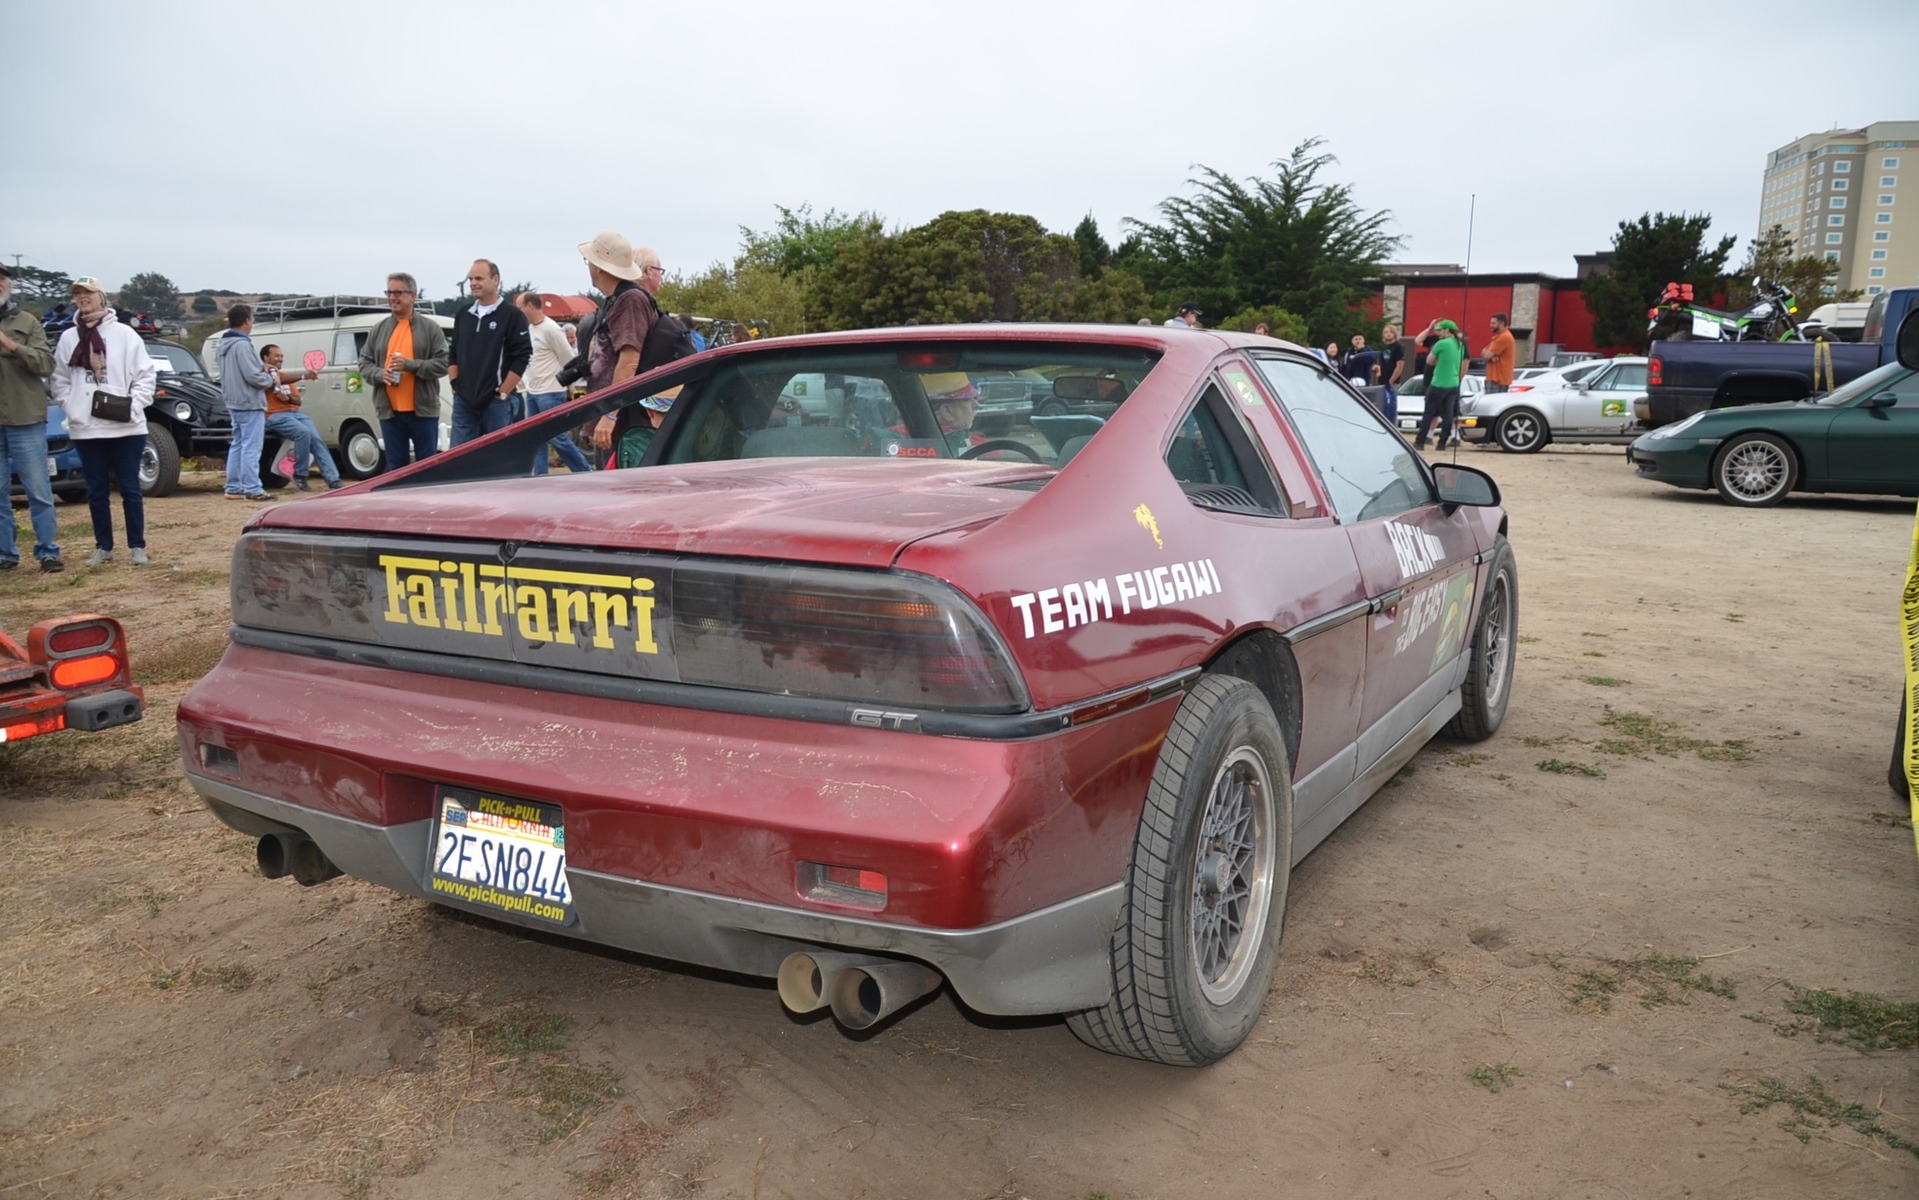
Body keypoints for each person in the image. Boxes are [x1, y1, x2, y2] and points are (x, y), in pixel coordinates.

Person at [49, 276, 155, 566]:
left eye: (88, 293)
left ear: (101, 297)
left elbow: (146, 375)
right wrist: (72, 407)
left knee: (130, 489)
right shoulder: (69, 337)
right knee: (96, 490)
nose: (83, 298)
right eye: (78, 294)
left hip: (126, 425)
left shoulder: (124, 333)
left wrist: (133, 405)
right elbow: (59, 379)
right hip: (87, 427)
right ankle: (104, 546)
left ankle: (137, 546)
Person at [0, 263, 62, 572]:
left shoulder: (27, 322)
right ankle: (5, 555)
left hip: (25, 419)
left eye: (1, 278)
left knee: (38, 490)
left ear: (8, 284)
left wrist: (10, 345)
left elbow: (45, 364)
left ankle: (48, 552)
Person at [357, 272, 449, 469]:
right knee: (396, 470)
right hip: (390, 413)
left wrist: (411, 365)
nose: (392, 298)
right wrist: (380, 374)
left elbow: (443, 364)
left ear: (412, 296)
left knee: (426, 469)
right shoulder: (378, 329)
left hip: (423, 412)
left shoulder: (431, 328)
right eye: (389, 293)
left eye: (397, 292)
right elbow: (364, 363)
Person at [578, 232, 657, 458]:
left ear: (600, 267)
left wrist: (610, 415)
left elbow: (629, 360)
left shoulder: (629, 300)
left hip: (624, 423)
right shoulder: (617, 299)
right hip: (618, 421)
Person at [448, 259, 530, 447]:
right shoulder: (463, 314)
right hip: (464, 402)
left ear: (495, 280)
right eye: (470, 279)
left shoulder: (512, 315)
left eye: (479, 278)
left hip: (496, 403)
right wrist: (455, 385)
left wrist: (503, 392)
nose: (473, 283)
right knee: (459, 461)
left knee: (497, 460)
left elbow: (523, 355)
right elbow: (453, 352)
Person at [517, 291, 593, 475]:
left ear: (529, 306)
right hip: (534, 391)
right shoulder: (531, 329)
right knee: (537, 438)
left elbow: (567, 358)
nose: (518, 312)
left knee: (556, 436)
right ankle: (540, 475)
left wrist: (568, 386)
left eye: (519, 307)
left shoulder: (551, 329)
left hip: (550, 391)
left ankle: (584, 471)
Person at [215, 304, 278, 500]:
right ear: (246, 320)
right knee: (251, 446)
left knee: (238, 444)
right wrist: (270, 380)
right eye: (252, 319)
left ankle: (233, 486)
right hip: (249, 401)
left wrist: (261, 366)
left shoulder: (223, 344)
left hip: (233, 400)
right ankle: (253, 488)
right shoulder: (242, 345)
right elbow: (252, 376)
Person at [260, 343, 341, 491]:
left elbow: (298, 401)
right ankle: (300, 474)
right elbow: (274, 382)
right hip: (274, 415)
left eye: (282, 356)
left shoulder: (285, 375)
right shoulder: (261, 374)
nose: (280, 358)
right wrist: (304, 375)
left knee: (316, 438)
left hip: (295, 413)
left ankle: (333, 479)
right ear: (266, 357)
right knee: (302, 433)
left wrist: (288, 398)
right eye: (276, 355)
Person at [1414, 319, 1464, 450]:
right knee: (1448, 415)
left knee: (1428, 413)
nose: (1439, 332)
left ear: (1447, 330)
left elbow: (1429, 361)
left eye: (1441, 330)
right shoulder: (1460, 344)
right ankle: (1442, 443)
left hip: (1438, 383)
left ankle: (1420, 442)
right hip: (1453, 383)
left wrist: (1438, 361)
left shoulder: (1441, 343)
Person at [1376, 324, 1407, 425]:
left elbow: (1400, 366)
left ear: (1394, 334)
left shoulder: (1398, 347)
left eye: (1390, 332)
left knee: (1391, 407)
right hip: (1382, 381)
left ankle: (1393, 428)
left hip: (1392, 383)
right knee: (1383, 407)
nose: (1388, 334)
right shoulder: (1384, 348)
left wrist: (1391, 381)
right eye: (1386, 332)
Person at [1483, 312, 1517, 395]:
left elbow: (1486, 355)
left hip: (1498, 380)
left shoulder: (1504, 337)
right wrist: (1491, 356)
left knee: (1493, 405)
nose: (1490, 325)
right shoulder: (1498, 337)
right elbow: (1483, 351)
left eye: (1494, 323)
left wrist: (1489, 355)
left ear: (1502, 324)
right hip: (1495, 379)